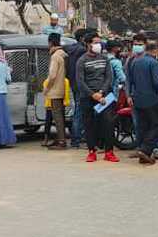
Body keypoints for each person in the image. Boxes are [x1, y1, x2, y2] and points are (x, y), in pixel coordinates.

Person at [75, 33, 117, 162]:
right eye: (95, 42)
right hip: (88, 97)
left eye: (99, 42)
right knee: (89, 124)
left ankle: (109, 151)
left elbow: (109, 77)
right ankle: (92, 151)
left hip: (105, 97)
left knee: (108, 123)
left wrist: (101, 92)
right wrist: (93, 95)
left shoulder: (105, 59)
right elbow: (80, 81)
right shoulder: (81, 60)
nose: (98, 45)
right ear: (88, 44)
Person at [128, 41, 158, 165]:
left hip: (138, 99)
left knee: (143, 126)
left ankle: (144, 154)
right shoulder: (153, 63)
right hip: (152, 99)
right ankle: (145, 149)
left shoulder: (135, 61)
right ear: (155, 50)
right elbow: (157, 82)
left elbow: (130, 80)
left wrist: (130, 95)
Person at [43, 33, 69, 150]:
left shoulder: (55, 56)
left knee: (57, 116)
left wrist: (46, 87)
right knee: (60, 116)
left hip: (55, 90)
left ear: (50, 42)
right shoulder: (63, 54)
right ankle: (59, 138)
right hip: (63, 88)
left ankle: (61, 141)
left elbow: (52, 75)